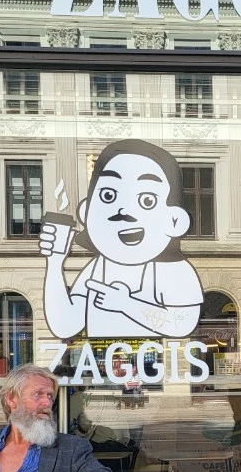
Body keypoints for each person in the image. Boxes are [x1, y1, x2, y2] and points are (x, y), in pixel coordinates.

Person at [40, 139, 204, 339]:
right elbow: (66, 326)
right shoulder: (98, 267)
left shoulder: (174, 269)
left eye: (147, 200)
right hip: (100, 358)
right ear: (87, 211)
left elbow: (182, 324)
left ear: (175, 219)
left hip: (153, 358)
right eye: (108, 195)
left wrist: (126, 304)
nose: (124, 210)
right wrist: (55, 263)